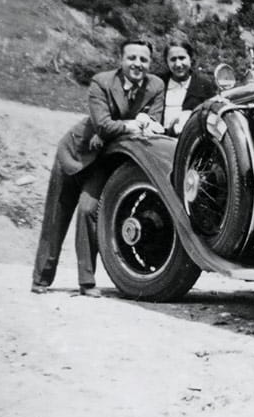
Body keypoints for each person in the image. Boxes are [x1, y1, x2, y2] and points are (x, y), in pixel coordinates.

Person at [31, 38, 165, 296]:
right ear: (121, 59)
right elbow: (102, 124)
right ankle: (41, 279)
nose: (137, 64)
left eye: (144, 59)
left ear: (150, 63)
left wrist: (135, 125)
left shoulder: (155, 86)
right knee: (56, 218)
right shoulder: (101, 82)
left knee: (89, 210)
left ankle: (87, 282)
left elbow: (154, 124)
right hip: (75, 154)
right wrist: (132, 124)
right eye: (132, 58)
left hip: (104, 160)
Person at [161, 39, 218, 136]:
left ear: (190, 59)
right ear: (167, 61)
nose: (178, 64)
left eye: (182, 58)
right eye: (173, 59)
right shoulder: (160, 82)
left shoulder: (204, 84)